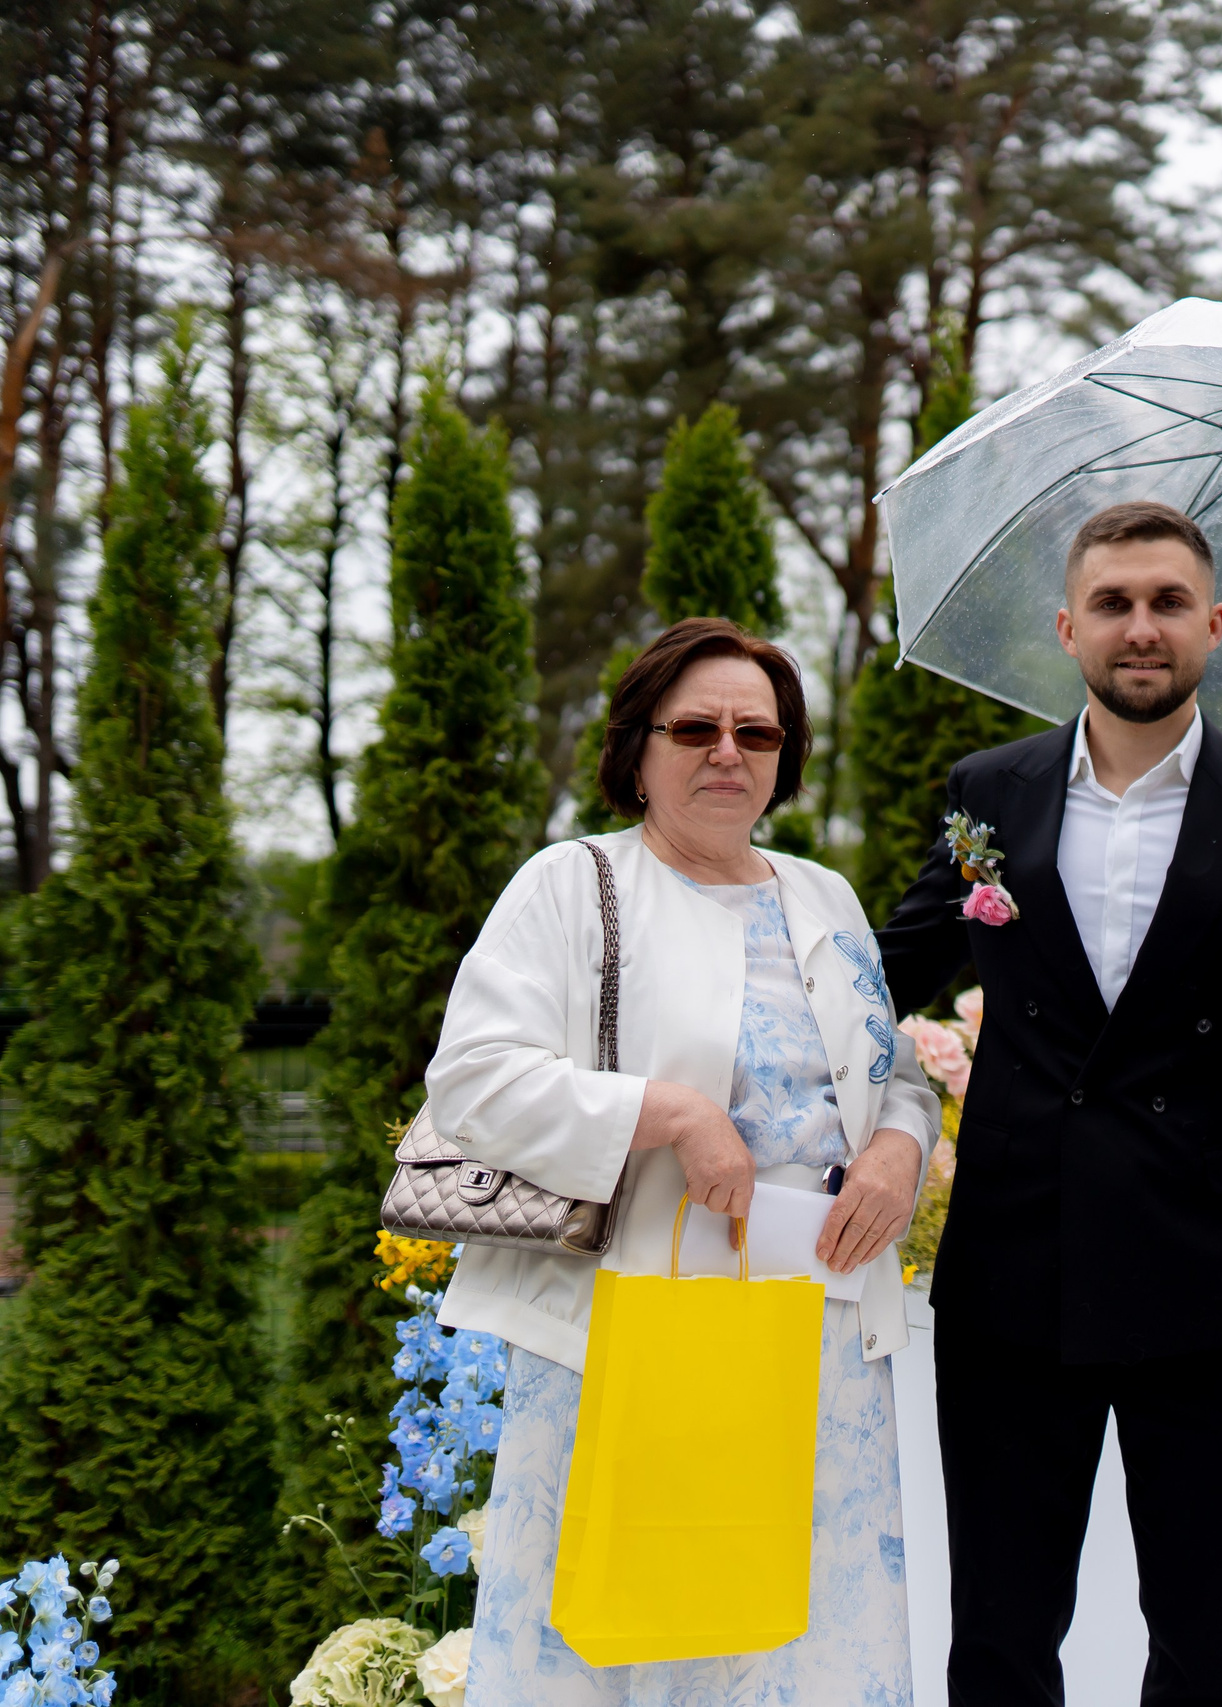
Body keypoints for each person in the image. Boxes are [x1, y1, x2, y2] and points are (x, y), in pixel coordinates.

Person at [875, 500, 1222, 1707]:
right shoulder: (987, 792)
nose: (1141, 627)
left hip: (1210, 1281)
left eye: (1167, 603)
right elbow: (884, 973)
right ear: (1068, 626)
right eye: (1114, 604)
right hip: (1011, 1275)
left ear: (1215, 624)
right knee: (996, 1632)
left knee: (1203, 1643)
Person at [429, 617, 943, 1700]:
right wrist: (666, 1111)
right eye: (696, 728)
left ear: (785, 758)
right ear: (637, 749)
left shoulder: (824, 896)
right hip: (632, 1340)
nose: (728, 752)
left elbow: (889, 1071)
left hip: (821, 1347)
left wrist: (900, 1148)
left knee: (802, 1650)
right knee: (633, 1647)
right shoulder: (571, 886)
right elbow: (471, 1080)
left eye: (757, 734)